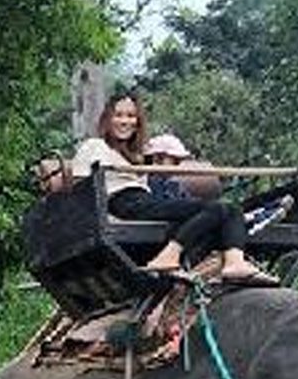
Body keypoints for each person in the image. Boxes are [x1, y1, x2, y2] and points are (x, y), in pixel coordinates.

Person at [71, 92, 273, 282]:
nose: (125, 121)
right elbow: (79, 186)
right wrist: (98, 219)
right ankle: (173, 257)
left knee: (226, 210)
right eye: (118, 115)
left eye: (131, 116)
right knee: (221, 208)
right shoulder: (94, 146)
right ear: (108, 118)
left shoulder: (134, 156)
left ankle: (230, 262)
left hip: (144, 201)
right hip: (123, 203)